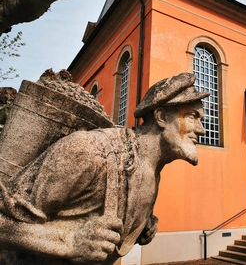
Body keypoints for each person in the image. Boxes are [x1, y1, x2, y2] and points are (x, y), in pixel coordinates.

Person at [0, 72, 209, 264]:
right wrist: (69, 242)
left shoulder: (151, 170)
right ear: (161, 117)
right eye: (192, 117)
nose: (202, 130)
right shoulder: (88, 151)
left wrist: (140, 228)